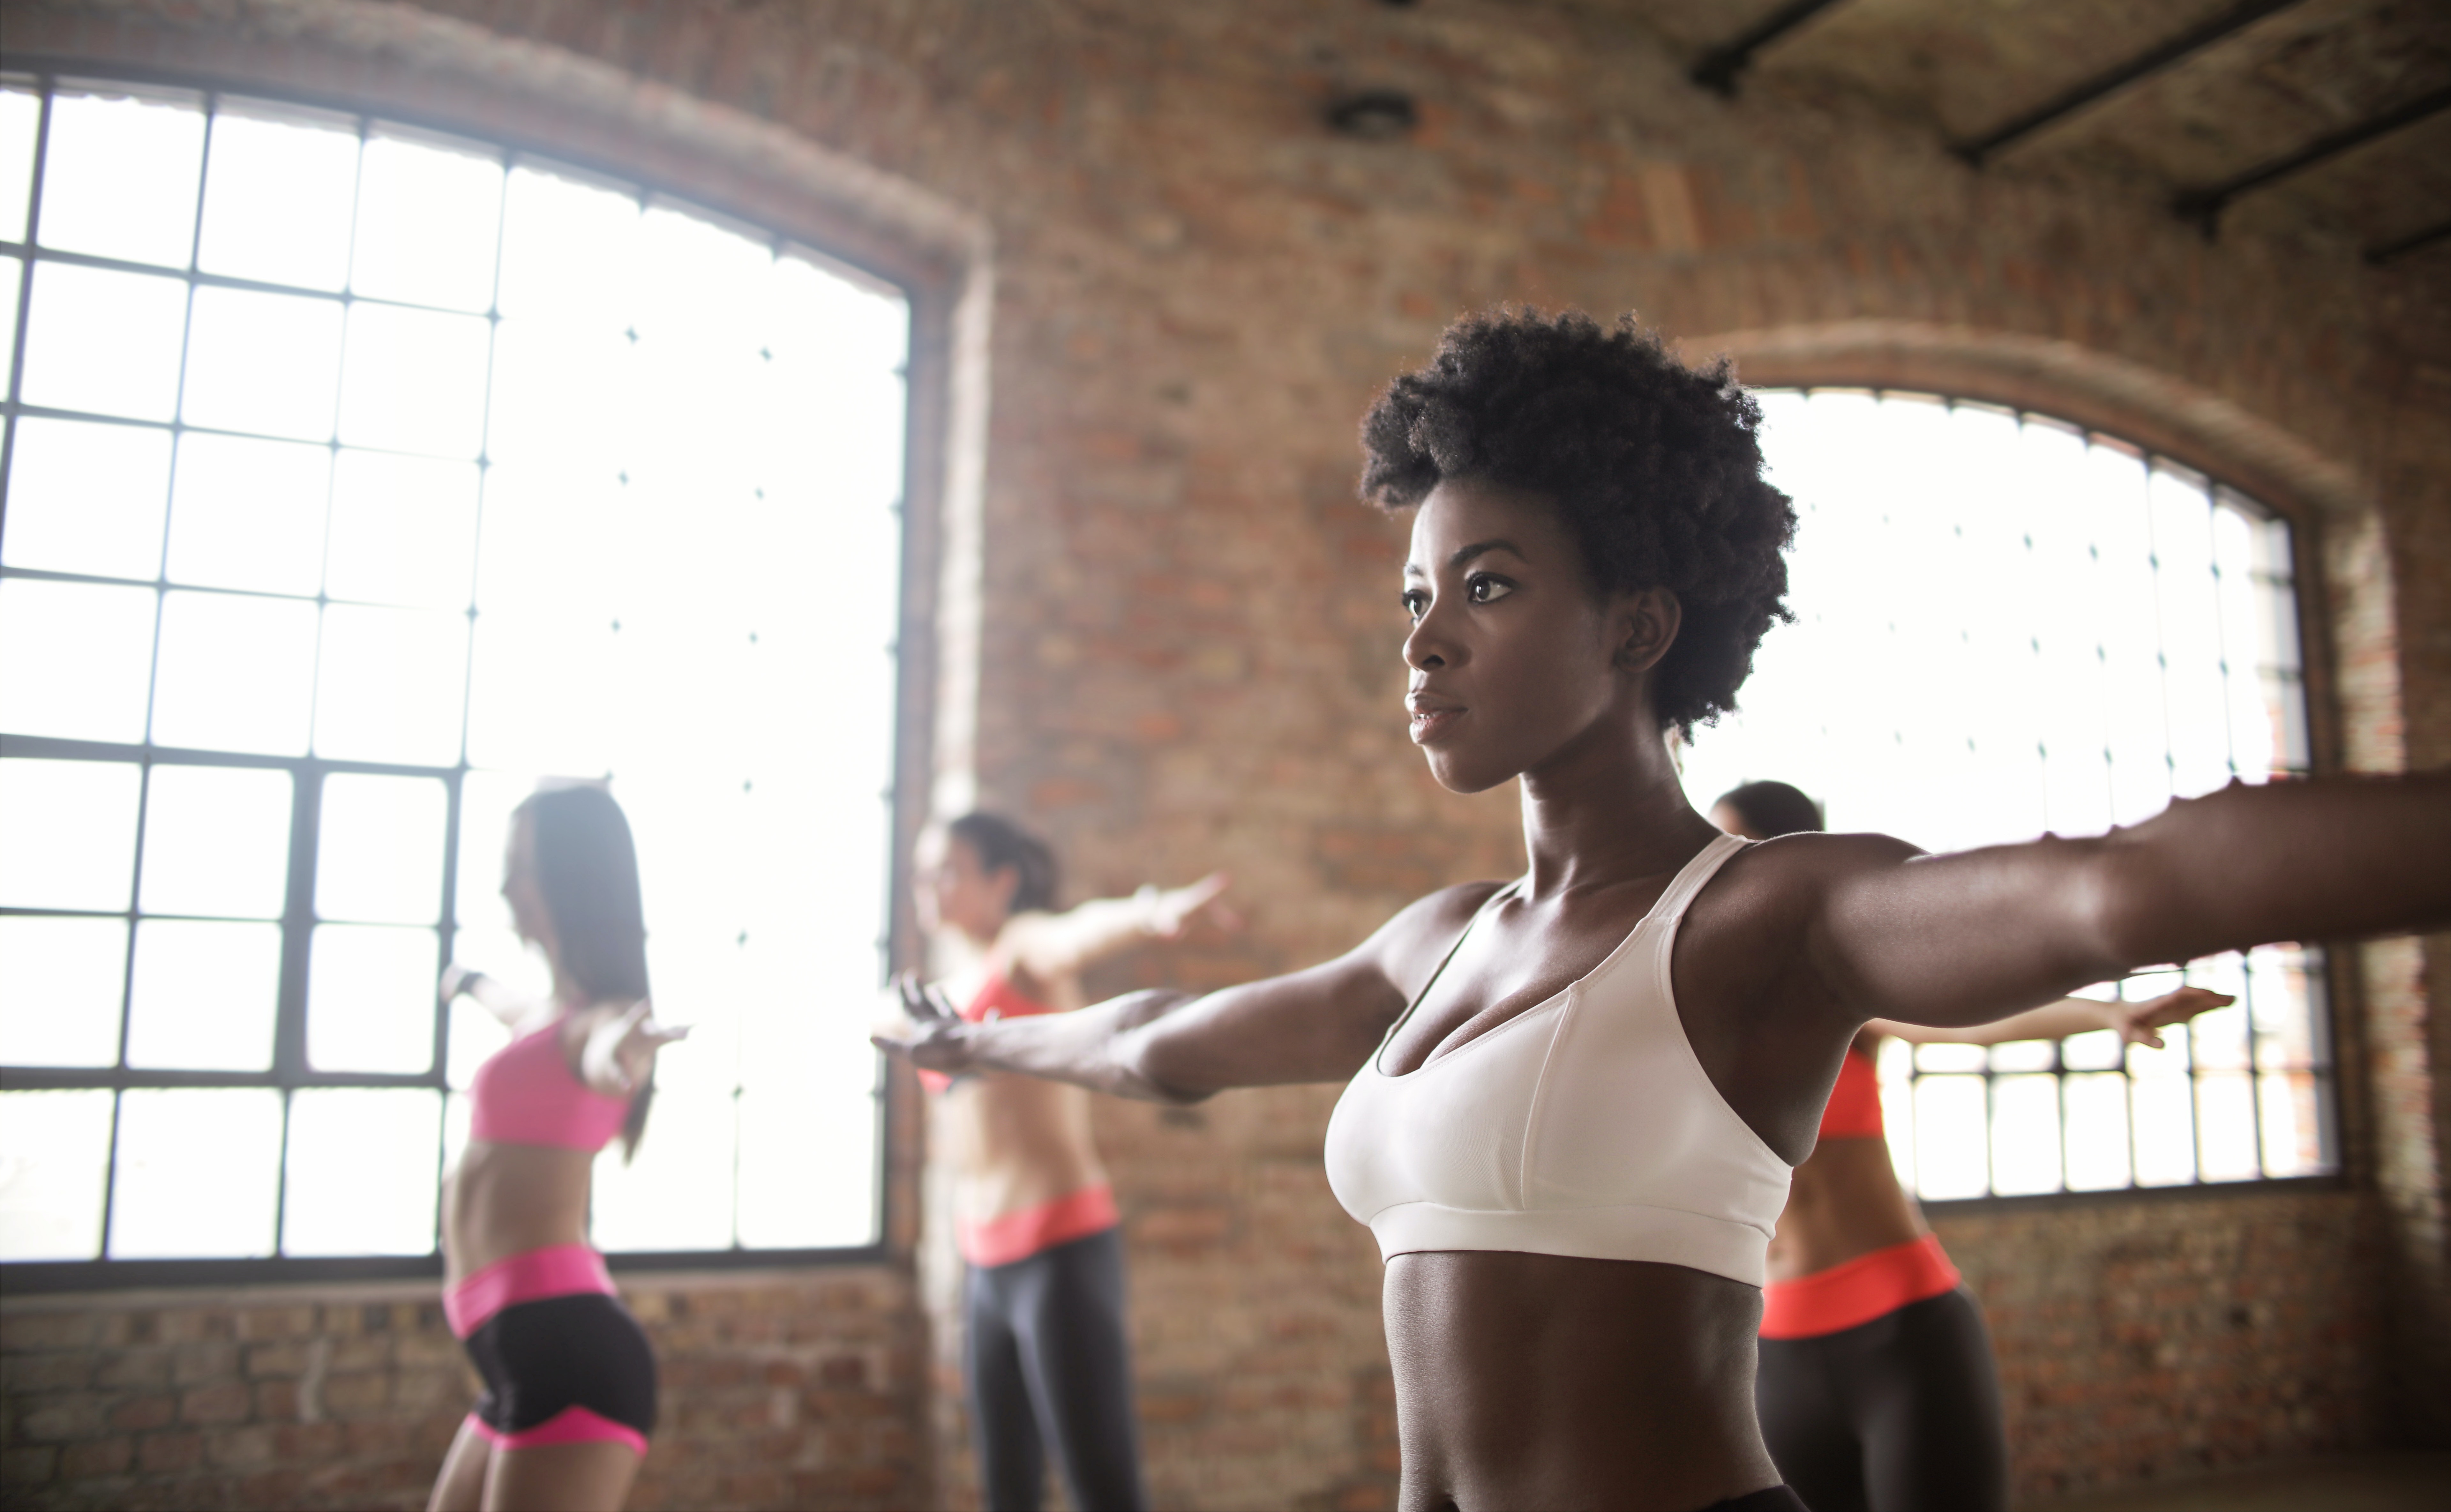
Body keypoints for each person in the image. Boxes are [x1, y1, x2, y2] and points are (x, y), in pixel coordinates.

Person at [876, 308, 2451, 1512]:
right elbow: (1161, 1037)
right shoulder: (1438, 941)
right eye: (1414, 596)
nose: (1424, 642)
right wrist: (970, 1036)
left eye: (1485, 586)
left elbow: (2128, 886)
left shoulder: (1767, 917)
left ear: (1635, 621)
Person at [1711, 780, 2231, 1512]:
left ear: (1785, 860)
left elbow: (1972, 1017)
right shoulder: (1699, 1013)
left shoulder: (1840, 997)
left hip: (1902, 1336)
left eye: (1738, 847)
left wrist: (2105, 1011)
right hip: (1775, 1356)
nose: (1720, 868)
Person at [896, 810, 1233, 1512]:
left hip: (1059, 1253)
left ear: (1002, 883)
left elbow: (1072, 933)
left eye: (948, 872)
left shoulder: (1019, 950)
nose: (928, 887)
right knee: (1006, 1492)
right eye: (924, 872)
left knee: (1101, 1490)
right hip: (983, 1264)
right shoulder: (942, 989)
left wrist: (1151, 912)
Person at [427, 786, 686, 1512]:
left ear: (574, 877)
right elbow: (515, 1006)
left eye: (523, 865)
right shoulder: (550, 1015)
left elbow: (607, 1049)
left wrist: (627, 1052)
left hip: (568, 1349)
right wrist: (468, 982)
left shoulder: (597, 1024)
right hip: (515, 1356)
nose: (506, 885)